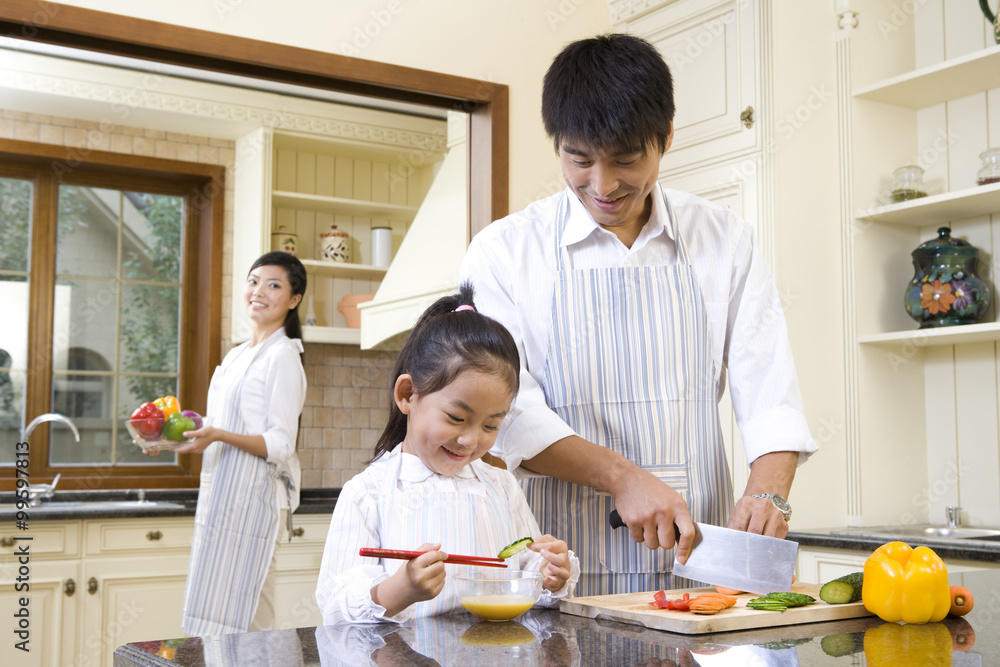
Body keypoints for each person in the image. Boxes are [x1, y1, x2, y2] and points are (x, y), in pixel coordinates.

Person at [459, 33, 818, 595]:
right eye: (579, 160)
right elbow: (510, 412)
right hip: (554, 567)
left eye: (626, 161)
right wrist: (622, 478)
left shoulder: (724, 239)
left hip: (697, 564)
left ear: (666, 137)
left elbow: (768, 390)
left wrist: (767, 494)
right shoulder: (504, 250)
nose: (602, 186)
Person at [315, 284, 579, 625]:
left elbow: (523, 570)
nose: (470, 440)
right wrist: (401, 588)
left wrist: (549, 571)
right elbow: (335, 608)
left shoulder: (501, 487)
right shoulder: (370, 493)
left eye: (491, 426)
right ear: (408, 394)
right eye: (457, 418)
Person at [165, 251, 307, 635]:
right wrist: (175, 436)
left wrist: (217, 434)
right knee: (212, 608)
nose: (259, 291)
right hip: (223, 495)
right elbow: (219, 423)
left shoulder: (283, 356)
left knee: (249, 617)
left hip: (255, 500)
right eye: (254, 281)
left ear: (293, 300)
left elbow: (280, 443)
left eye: (274, 285)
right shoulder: (236, 355)